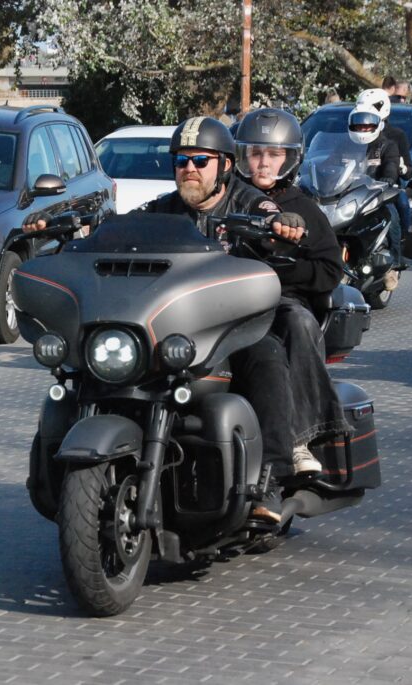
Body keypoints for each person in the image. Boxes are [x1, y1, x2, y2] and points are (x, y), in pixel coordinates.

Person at [133, 116, 312, 523]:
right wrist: (82, 227)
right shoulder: (163, 210)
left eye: (200, 160)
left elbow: (270, 212)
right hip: (173, 323)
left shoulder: (247, 202)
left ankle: (271, 477)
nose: (189, 169)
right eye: (181, 161)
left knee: (266, 357)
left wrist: (285, 223)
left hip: (234, 322)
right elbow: (121, 228)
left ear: (225, 165)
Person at [233, 109, 351, 519]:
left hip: (280, 303)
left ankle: (300, 438)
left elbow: (330, 269)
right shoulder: (227, 198)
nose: (263, 163)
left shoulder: (304, 207)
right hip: (223, 304)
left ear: (290, 158)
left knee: (297, 322)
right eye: (255, 154)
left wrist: (277, 275)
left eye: (273, 154)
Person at [350, 91, 408, 290]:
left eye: (367, 124)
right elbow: (330, 161)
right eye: (359, 124)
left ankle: (394, 264)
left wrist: (390, 177)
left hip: (378, 194)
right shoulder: (346, 143)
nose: (363, 127)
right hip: (349, 194)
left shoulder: (388, 143)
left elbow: (392, 165)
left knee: (392, 216)